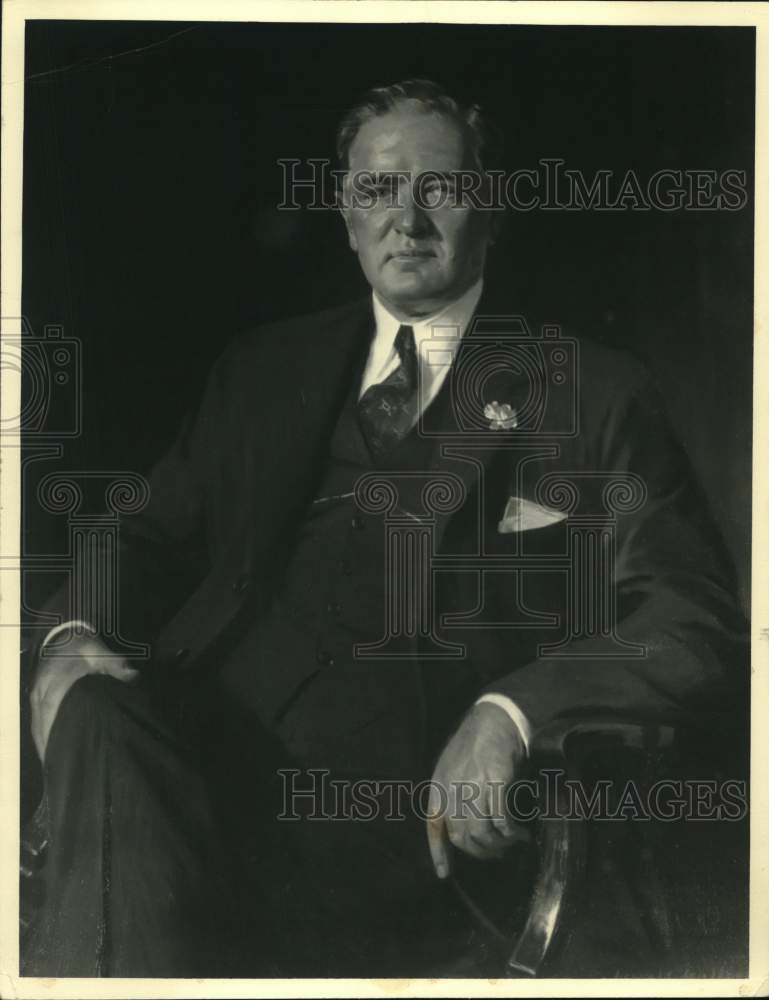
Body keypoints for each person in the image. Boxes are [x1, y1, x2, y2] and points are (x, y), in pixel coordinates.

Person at [23, 79, 746, 977]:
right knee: (95, 708)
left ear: (491, 207)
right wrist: (64, 635)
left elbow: (693, 624)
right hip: (196, 778)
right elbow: (144, 535)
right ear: (343, 212)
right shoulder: (262, 371)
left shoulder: (592, 393)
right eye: (377, 191)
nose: (406, 220)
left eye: (438, 187)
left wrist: (514, 713)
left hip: (401, 831)